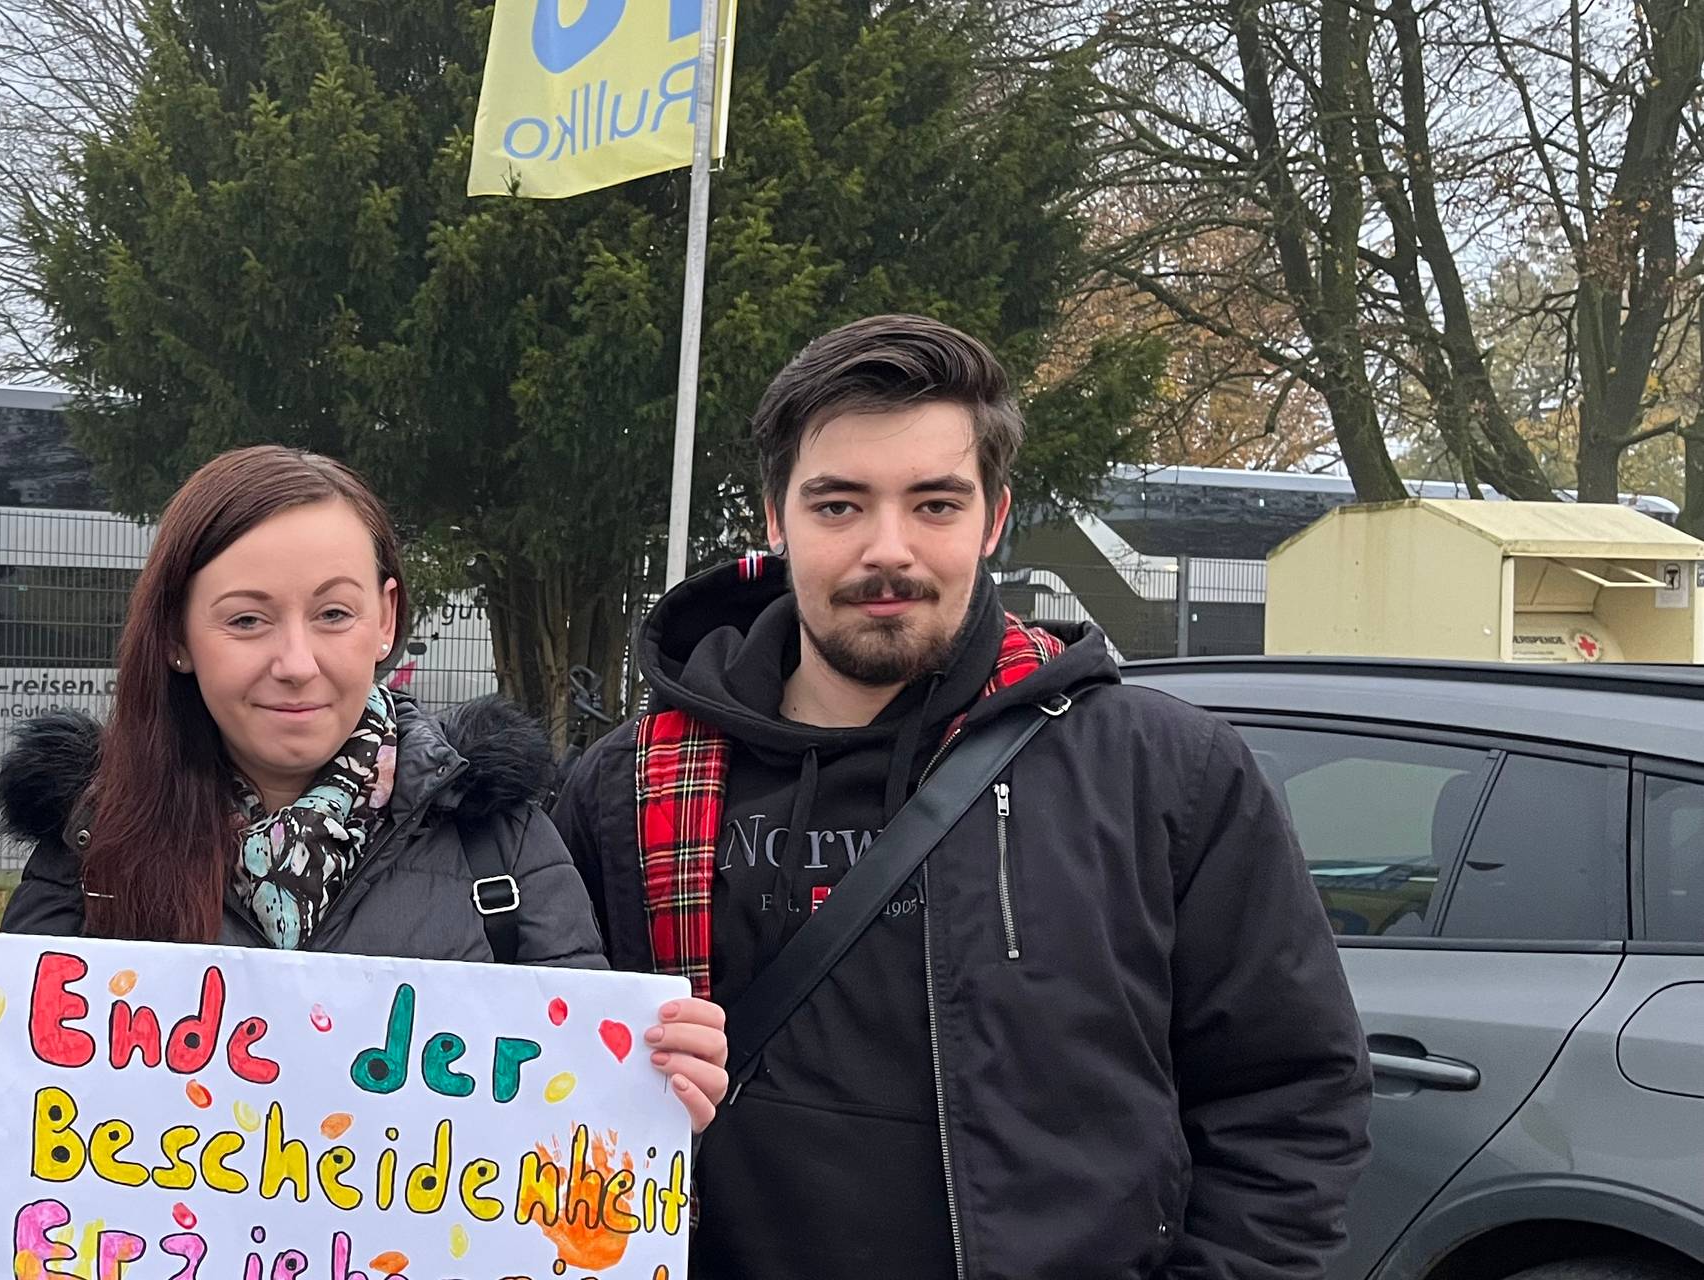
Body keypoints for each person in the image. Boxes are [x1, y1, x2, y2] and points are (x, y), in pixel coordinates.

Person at [555, 314, 1371, 1279]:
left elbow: (1288, 1101)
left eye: (935, 505)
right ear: (775, 519)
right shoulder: (625, 789)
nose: (887, 551)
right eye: (839, 506)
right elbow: (537, 1090)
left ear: (992, 517)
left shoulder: (1164, 773)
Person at [0, 445, 730, 1138]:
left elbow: (580, 1144)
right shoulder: (93, 847)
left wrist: (653, 1099)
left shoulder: (498, 843)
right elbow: (10, 1178)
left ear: (386, 620)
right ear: (178, 636)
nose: (295, 661)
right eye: (246, 619)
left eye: (333, 614)